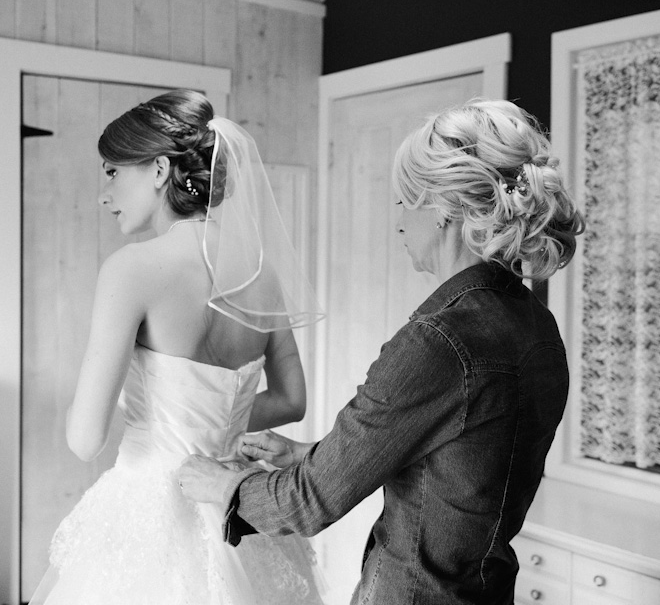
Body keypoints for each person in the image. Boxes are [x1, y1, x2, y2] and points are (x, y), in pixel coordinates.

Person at [179, 98, 585, 605]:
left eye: (403, 201)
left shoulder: (438, 341)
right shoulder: (536, 326)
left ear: (442, 209)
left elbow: (306, 505)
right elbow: (460, 472)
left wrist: (223, 486)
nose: (397, 221)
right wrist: (314, 455)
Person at [30, 89, 326, 605]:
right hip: (235, 500)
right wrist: (212, 424)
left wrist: (147, 412)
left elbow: (84, 439)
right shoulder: (259, 271)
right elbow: (291, 401)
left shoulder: (131, 269)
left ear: (161, 169)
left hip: (148, 510)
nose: (105, 194)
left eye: (113, 172)